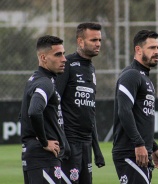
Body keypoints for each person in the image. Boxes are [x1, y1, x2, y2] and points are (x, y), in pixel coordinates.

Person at [112, 29, 158, 184]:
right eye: (151, 48)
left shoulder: (145, 78)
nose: (156, 52)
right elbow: (124, 111)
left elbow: (141, 118)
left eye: (157, 48)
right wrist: (139, 143)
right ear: (138, 49)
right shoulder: (131, 75)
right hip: (130, 151)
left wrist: (154, 147)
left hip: (142, 150)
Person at [56, 22, 105, 184]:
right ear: (80, 41)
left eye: (99, 40)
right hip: (69, 142)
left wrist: (96, 149)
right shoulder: (67, 64)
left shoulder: (91, 68)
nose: (98, 44)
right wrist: (62, 141)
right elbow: (54, 103)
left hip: (86, 144)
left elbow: (90, 112)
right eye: (93, 40)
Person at [20, 35, 71, 184]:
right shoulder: (45, 83)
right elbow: (34, 111)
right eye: (58, 54)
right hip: (43, 158)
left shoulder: (35, 79)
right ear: (43, 58)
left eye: (63, 53)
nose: (64, 59)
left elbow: (23, 115)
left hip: (35, 157)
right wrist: (44, 142)